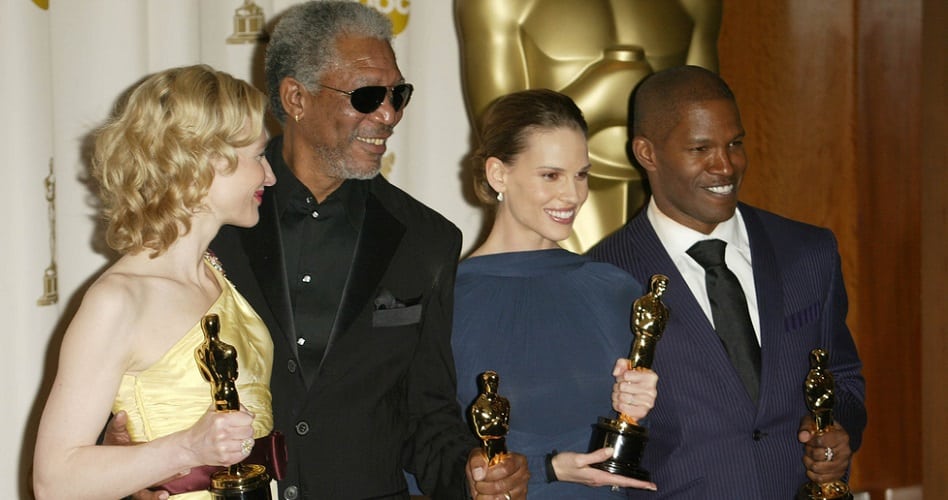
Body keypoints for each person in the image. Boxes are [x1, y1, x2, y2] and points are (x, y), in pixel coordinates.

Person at [108, 2, 529, 499]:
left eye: (399, 94)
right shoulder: (205, 218)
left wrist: (472, 472)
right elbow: (133, 383)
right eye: (369, 95)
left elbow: (426, 414)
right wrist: (128, 466)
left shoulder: (426, 239)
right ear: (296, 98)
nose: (389, 114)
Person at [588, 65, 867, 498]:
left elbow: (844, 379)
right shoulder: (601, 277)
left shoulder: (808, 252)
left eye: (734, 144)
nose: (726, 166)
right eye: (701, 148)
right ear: (647, 153)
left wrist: (834, 431)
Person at [32, 64, 278, 499]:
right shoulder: (118, 299)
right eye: (259, 156)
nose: (270, 176)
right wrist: (187, 448)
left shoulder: (217, 274)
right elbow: (54, 482)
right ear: (205, 161)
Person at [451, 88, 660, 498]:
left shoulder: (616, 289)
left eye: (581, 174)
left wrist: (638, 405)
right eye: (551, 175)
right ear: (498, 175)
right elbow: (416, 454)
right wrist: (546, 466)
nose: (573, 195)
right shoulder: (447, 300)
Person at [455, 0, 722, 252]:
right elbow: (498, 130)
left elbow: (705, 124)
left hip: (662, 215)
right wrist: (599, 96)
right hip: (561, 222)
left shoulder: (694, 3)